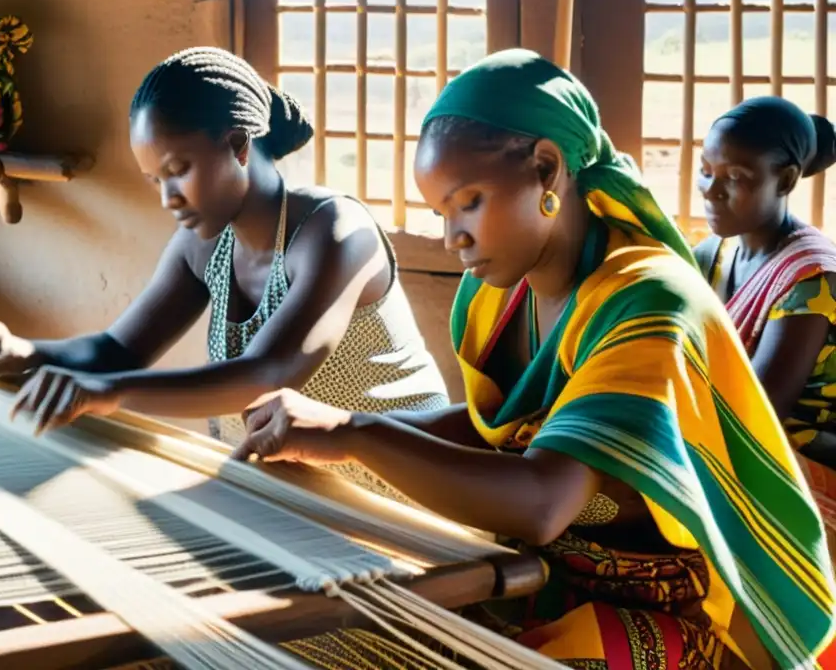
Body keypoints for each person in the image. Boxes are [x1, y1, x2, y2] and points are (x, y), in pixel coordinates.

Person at [233, 50, 836, 669]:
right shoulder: (501, 292)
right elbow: (495, 428)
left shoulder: (648, 301)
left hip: (678, 612)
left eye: (468, 201)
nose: (452, 238)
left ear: (547, 170)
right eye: (442, 213)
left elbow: (543, 501)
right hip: (549, 581)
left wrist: (355, 433)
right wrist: (318, 432)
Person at [0, 46, 449, 500]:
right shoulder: (203, 247)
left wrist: (109, 391)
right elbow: (117, 350)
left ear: (238, 145)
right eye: (154, 180)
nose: (168, 199)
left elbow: (267, 374)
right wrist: (22, 351)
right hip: (298, 488)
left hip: (405, 487)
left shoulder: (336, 232)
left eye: (179, 169)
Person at [693, 97, 836, 470]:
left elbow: (754, 415)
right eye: (705, 170)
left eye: (735, 177)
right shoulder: (711, 255)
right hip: (718, 438)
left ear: (785, 180)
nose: (711, 190)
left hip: (794, 462)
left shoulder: (810, 280)